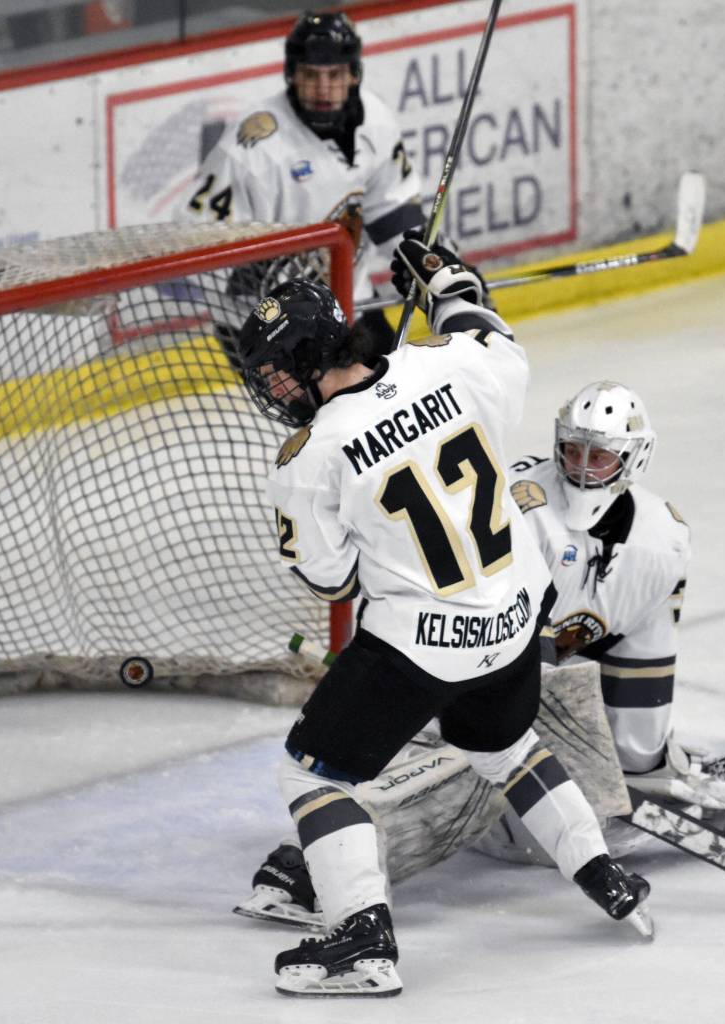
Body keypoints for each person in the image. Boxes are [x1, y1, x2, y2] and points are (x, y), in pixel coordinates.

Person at [234, 236, 653, 998]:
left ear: (303, 359)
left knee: (312, 773)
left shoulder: (311, 455)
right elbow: (493, 335)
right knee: (501, 742)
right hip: (518, 618)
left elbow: (331, 581)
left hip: (424, 645)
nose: (268, 386)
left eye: (271, 368)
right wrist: (450, 282)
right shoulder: (447, 361)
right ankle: (598, 867)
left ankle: (362, 935)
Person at [235, 381, 725, 929]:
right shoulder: (520, 502)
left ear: (634, 457)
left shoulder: (664, 540)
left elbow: (641, 671)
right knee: (439, 771)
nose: (584, 467)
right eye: (574, 450)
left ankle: (626, 815)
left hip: (508, 700)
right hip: (444, 669)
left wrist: (641, 762)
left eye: (600, 454)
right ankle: (304, 867)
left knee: (552, 774)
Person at [178, 9, 424, 356]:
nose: (323, 89)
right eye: (310, 75)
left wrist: (430, 263)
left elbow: (393, 213)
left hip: (351, 301)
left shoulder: (376, 121)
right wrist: (283, 307)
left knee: (392, 390)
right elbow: (198, 241)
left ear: (354, 74)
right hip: (266, 322)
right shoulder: (253, 147)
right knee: (328, 408)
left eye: (335, 75)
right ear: (291, 75)